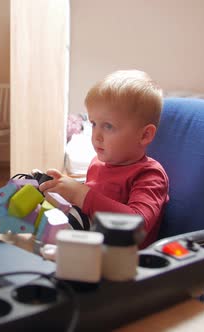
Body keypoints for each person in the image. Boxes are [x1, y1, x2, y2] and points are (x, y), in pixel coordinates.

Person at [39, 70, 169, 248]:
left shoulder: (150, 175)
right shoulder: (97, 163)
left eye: (108, 126)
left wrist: (80, 194)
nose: (96, 136)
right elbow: (93, 200)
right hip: (86, 248)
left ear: (145, 135)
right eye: (93, 124)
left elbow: (138, 225)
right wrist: (65, 188)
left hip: (121, 263)